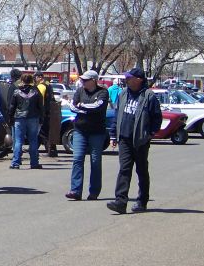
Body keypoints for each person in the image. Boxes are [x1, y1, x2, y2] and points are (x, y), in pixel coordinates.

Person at [106, 67, 163, 214]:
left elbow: (157, 118)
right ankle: (120, 201)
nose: (127, 80)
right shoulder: (123, 94)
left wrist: (149, 134)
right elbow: (117, 115)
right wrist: (113, 135)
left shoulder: (148, 96)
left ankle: (142, 201)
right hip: (124, 138)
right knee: (124, 169)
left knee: (141, 170)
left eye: (130, 77)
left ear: (139, 80)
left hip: (140, 140)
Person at [65, 70, 109, 200]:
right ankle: (75, 190)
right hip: (80, 130)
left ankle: (94, 191)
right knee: (77, 159)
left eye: (86, 80)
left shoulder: (103, 92)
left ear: (94, 80)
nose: (83, 82)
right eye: (82, 80)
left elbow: (98, 106)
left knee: (95, 161)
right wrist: (83, 108)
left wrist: (82, 106)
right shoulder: (79, 91)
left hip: (97, 131)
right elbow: (72, 107)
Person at [8, 72, 43, 169]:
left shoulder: (17, 92)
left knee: (18, 140)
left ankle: (15, 163)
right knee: (33, 140)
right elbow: (41, 106)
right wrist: (41, 119)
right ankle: (34, 163)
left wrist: (10, 118)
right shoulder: (36, 92)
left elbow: (12, 107)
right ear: (32, 81)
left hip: (19, 118)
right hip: (33, 118)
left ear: (22, 81)